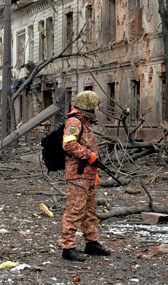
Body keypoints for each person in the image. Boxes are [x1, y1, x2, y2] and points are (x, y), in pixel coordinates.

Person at [61, 90, 111, 262]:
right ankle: (68, 247)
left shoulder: (85, 121)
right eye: (95, 104)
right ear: (88, 105)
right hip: (77, 174)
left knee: (90, 211)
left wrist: (94, 172)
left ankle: (91, 243)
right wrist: (88, 155)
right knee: (74, 211)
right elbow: (69, 144)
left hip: (87, 174)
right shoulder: (75, 122)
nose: (97, 108)